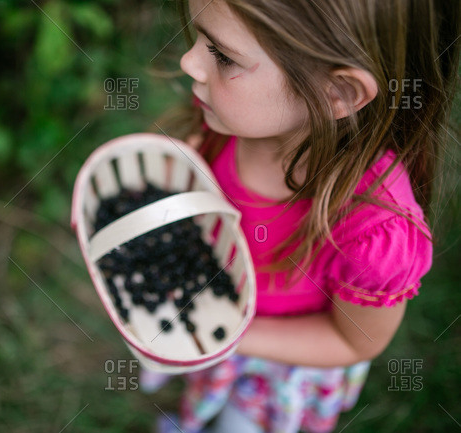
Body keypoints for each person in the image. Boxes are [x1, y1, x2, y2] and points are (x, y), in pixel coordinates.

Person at [141, 0, 461, 432]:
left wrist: (230, 339)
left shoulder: (376, 232)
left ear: (339, 93)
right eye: (199, 37)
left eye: (222, 55)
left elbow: (354, 339)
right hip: (217, 312)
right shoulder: (233, 119)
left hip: (279, 366)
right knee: (203, 394)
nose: (189, 61)